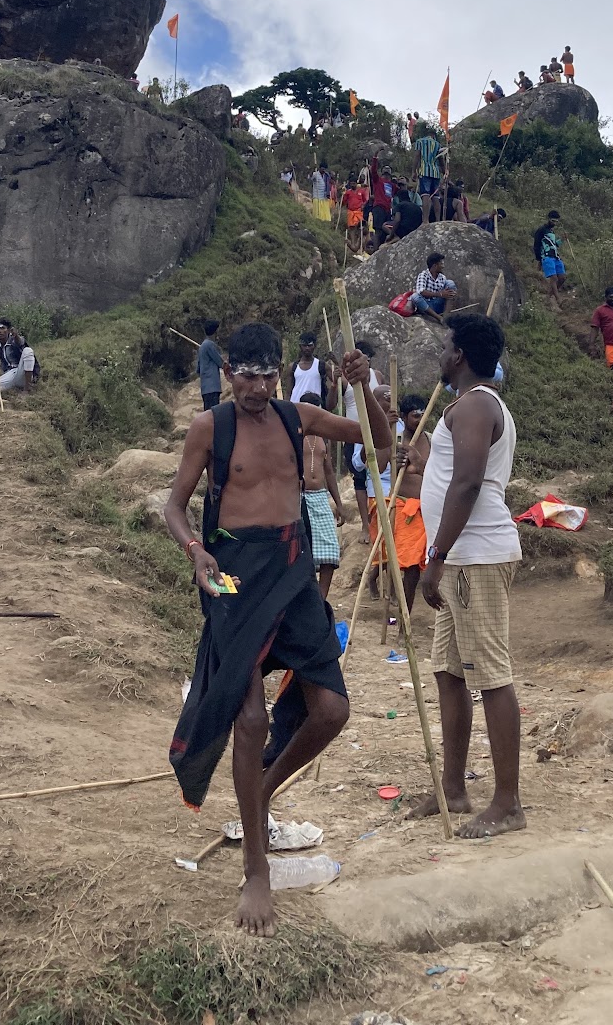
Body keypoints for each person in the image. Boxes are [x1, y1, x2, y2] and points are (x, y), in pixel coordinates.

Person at [164, 322, 390, 937]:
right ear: (229, 371)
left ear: (282, 374)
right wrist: (195, 552)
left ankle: (258, 793)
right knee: (251, 718)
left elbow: (382, 443)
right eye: (247, 374)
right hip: (232, 577)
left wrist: (364, 388)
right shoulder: (212, 427)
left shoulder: (301, 417)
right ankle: (255, 870)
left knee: (333, 710)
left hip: (292, 570)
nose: (258, 387)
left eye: (269, 375)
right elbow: (174, 506)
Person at [411, 313, 524, 839]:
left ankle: (508, 803)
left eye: (445, 346)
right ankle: (452, 789)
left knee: (491, 677)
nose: (440, 353)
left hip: (472, 558)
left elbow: (468, 484)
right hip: (460, 559)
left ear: (458, 355)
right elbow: (446, 477)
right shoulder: (467, 406)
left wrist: (435, 558)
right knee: (450, 672)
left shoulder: (477, 404)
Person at [369, 394, 430, 629]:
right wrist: (385, 427)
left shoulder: (433, 440)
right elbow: (379, 464)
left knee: (415, 569)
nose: (421, 418)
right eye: (416, 415)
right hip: (403, 509)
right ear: (404, 418)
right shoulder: (394, 438)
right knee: (406, 566)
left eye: (424, 413)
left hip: (427, 508)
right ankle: (402, 619)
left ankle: (406, 618)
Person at [297, 391, 346, 596]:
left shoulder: (323, 439)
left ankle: (321, 599)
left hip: (320, 497)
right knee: (300, 550)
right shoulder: (292, 436)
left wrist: (339, 503)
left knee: (330, 551)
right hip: (297, 498)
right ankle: (302, 597)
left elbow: (329, 471)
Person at [287, 332, 330, 406]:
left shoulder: (322, 365)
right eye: (304, 345)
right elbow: (288, 391)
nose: (307, 348)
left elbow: (335, 382)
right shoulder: (293, 367)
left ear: (314, 346)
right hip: (295, 406)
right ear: (300, 346)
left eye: (310, 345)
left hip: (315, 407)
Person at [411, 252, 458, 321]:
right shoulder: (423, 275)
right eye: (441, 264)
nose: (443, 266)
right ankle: (439, 318)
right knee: (415, 296)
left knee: (450, 283)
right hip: (427, 306)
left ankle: (446, 316)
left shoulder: (442, 277)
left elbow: (448, 292)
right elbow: (421, 292)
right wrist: (440, 294)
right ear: (435, 266)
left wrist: (451, 293)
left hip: (438, 304)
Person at [532, 210, 566, 299]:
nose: (554, 223)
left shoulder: (552, 232)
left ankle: (549, 296)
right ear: (549, 219)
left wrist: (562, 239)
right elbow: (536, 245)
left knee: (562, 278)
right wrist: (539, 259)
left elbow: (554, 245)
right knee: (554, 278)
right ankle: (558, 299)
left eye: (556, 222)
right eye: (553, 221)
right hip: (546, 257)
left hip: (556, 257)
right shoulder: (541, 230)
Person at [412, 125, 444, 209]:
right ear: (434, 135)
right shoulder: (438, 144)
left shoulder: (420, 141)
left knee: (425, 195)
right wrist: (445, 173)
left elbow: (417, 156)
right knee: (435, 197)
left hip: (424, 171)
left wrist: (414, 171)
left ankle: (425, 219)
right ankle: (438, 220)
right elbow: (441, 160)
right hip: (436, 173)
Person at [196, 319, 225, 410]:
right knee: (213, 414)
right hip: (212, 386)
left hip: (205, 387)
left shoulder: (203, 346)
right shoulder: (210, 345)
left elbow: (198, 368)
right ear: (215, 332)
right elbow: (220, 363)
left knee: (207, 412)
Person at [365, 165, 395, 246]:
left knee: (386, 231)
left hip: (388, 210)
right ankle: (375, 250)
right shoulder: (378, 180)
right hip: (378, 208)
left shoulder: (392, 185)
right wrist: (375, 157)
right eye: (385, 169)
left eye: (388, 169)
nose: (387, 170)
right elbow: (374, 171)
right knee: (378, 231)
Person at [342, 175, 368, 255]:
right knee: (352, 228)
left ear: (356, 183)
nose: (352, 185)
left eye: (353, 183)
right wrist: (343, 195)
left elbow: (365, 200)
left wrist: (363, 205)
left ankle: (361, 245)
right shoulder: (348, 192)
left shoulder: (361, 191)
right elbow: (343, 202)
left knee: (360, 227)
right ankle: (353, 244)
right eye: (351, 184)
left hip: (359, 212)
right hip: (351, 212)